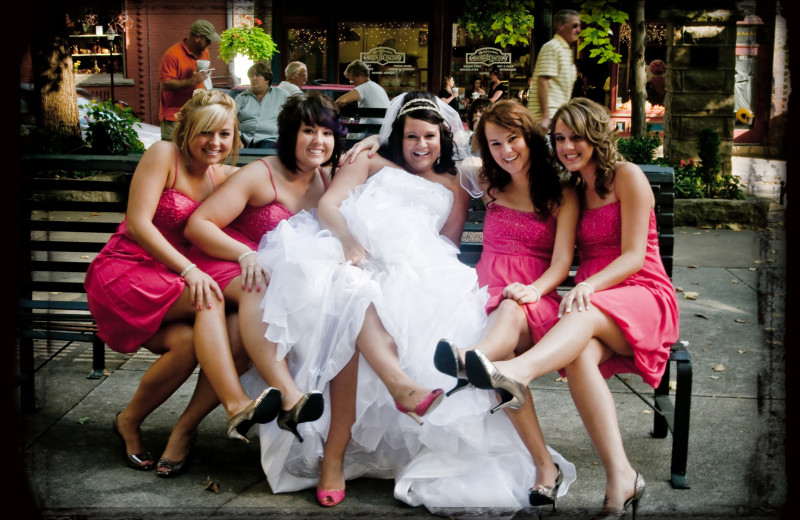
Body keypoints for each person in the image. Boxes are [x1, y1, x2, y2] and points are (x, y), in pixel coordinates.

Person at [243, 91, 576, 515]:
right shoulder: (367, 160)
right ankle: (337, 453)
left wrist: (411, 272)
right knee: (350, 296)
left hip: (423, 271)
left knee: (378, 307)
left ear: (443, 138)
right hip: (354, 253)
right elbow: (329, 203)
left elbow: (449, 242)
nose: (421, 145)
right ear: (396, 136)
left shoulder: (456, 181)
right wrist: (351, 243)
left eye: (430, 137)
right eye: (412, 135)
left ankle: (374, 424)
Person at [464, 97, 679, 519]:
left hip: (641, 291)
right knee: (578, 354)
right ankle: (622, 476)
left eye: (576, 137)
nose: (567, 146)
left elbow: (635, 256)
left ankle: (516, 373)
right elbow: (474, 167)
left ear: (596, 135)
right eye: (560, 138)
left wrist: (589, 286)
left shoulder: (628, 177)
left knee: (577, 313)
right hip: (595, 301)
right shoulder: (575, 189)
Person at [84, 90, 280, 476]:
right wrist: (190, 270)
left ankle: (130, 420)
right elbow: (139, 225)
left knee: (192, 342)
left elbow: (283, 177)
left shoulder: (220, 175)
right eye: (206, 133)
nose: (215, 143)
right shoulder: (163, 156)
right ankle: (235, 404)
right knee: (208, 295)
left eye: (224, 134)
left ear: (235, 136)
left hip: (170, 276)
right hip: (127, 270)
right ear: (187, 130)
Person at [434, 100, 579, 510]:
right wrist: (374, 139)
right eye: (495, 143)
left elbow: (563, 262)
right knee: (499, 367)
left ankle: (468, 359)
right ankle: (543, 467)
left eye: (512, 139)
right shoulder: (487, 181)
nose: (505, 151)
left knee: (511, 308)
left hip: (533, 297)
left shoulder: (561, 192)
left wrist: (534, 289)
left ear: (529, 137)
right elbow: (431, 158)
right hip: (482, 292)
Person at [184, 91, 346, 450]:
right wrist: (245, 254)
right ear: (290, 134)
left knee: (239, 339)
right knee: (259, 290)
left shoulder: (326, 181)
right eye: (308, 130)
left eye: (327, 133)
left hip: (270, 286)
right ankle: (289, 394)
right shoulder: (261, 174)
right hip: (227, 266)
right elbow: (199, 224)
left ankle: (184, 431)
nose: (319, 141)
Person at [158, 19, 221, 141]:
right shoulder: (173, 55)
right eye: (207, 40)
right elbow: (165, 85)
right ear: (197, 37)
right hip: (174, 117)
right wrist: (191, 81)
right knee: (173, 154)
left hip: (197, 115)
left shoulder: (204, 53)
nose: (209, 44)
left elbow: (204, 78)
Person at [528, 9, 581, 130]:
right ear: (561, 25)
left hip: (557, 117)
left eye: (579, 26)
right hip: (546, 119)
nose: (579, 30)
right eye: (574, 26)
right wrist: (546, 117)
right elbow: (542, 81)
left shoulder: (566, 50)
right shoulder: (552, 47)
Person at [235, 61, 290, 149]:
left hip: (268, 138)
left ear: (267, 79)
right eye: (251, 76)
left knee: (265, 151)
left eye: (257, 75)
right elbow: (230, 119)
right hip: (243, 138)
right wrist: (237, 139)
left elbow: (293, 119)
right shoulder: (241, 97)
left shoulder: (282, 95)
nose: (254, 78)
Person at [335, 59, 390, 125]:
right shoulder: (378, 87)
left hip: (369, 130)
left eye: (353, 80)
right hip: (382, 129)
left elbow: (340, 101)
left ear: (361, 75)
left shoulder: (364, 87)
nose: (352, 84)